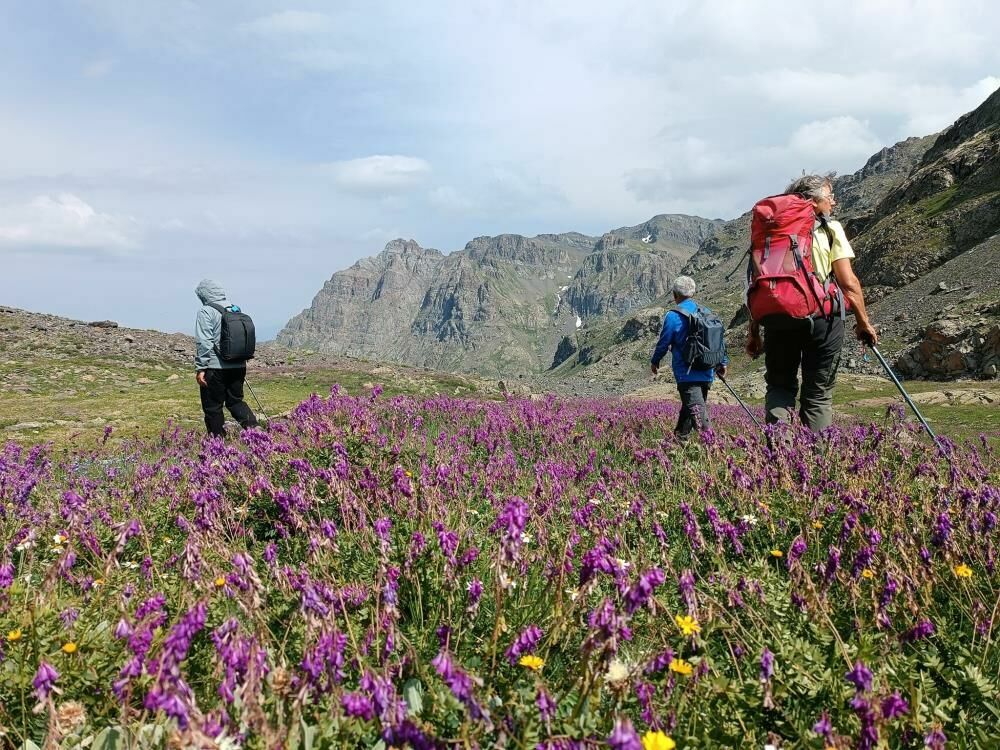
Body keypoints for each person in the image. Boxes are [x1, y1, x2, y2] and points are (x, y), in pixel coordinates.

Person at [745, 174, 878, 431]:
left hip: (777, 319)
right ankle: (818, 461)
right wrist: (864, 323)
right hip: (823, 320)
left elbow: (760, 285)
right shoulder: (829, 228)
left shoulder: (770, 233)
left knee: (780, 387)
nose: (833, 202)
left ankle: (779, 458)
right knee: (817, 394)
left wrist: (754, 333)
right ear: (814, 201)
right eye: (829, 197)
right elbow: (849, 282)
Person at [651, 275, 728, 439]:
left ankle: (714, 448)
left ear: (674, 295)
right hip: (708, 371)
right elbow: (718, 339)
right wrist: (723, 362)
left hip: (686, 374)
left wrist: (655, 361)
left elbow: (664, 342)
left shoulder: (673, 316)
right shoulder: (706, 312)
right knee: (690, 408)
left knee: (698, 415)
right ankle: (680, 439)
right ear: (692, 293)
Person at [194, 279, 258, 437]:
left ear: (204, 295)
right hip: (239, 365)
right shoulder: (234, 309)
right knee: (235, 401)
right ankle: (257, 433)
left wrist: (201, 368)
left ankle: (218, 445)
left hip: (216, 368)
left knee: (213, 407)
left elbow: (205, 342)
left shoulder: (206, 311)